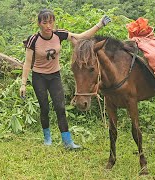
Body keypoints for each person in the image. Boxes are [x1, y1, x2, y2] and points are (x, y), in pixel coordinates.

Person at [20, 9, 111, 149]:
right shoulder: (33, 40)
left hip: (55, 76)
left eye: (51, 22)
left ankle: (68, 142)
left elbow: (81, 37)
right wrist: (23, 84)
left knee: (60, 107)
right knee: (44, 108)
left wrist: (100, 24)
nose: (48, 26)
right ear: (39, 24)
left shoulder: (59, 34)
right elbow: (27, 63)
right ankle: (47, 139)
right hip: (39, 77)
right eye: (45, 23)